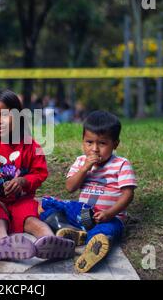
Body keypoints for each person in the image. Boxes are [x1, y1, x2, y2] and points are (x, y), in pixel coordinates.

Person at [0, 89, 75, 261]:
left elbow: (40, 172)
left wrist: (24, 181)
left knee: (30, 218)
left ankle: (50, 240)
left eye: (5, 114)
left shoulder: (29, 144)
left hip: (21, 199)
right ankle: (3, 242)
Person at [54, 110, 137, 273]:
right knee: (50, 204)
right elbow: (70, 187)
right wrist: (85, 168)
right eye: (89, 142)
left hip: (108, 218)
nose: (95, 149)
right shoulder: (80, 162)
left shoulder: (121, 164)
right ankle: (78, 234)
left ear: (115, 144)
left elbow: (128, 194)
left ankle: (92, 248)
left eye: (102, 143)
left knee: (105, 232)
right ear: (82, 141)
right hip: (83, 214)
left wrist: (110, 213)